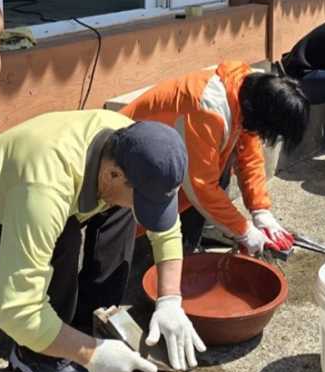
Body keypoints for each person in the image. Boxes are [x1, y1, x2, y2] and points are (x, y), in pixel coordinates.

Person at [0, 114, 204, 372]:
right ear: (112, 174)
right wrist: (91, 354)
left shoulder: (129, 143)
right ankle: (35, 354)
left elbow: (164, 228)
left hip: (16, 204)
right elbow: (15, 311)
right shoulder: (47, 186)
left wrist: (169, 301)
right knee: (65, 234)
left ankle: (93, 324)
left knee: (123, 207)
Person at [119, 63, 309, 256]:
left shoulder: (252, 91)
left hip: (166, 160)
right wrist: (243, 231)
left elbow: (249, 155)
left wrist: (261, 210)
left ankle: (186, 250)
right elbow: (201, 187)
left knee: (218, 172)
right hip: (128, 160)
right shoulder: (207, 106)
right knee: (122, 234)